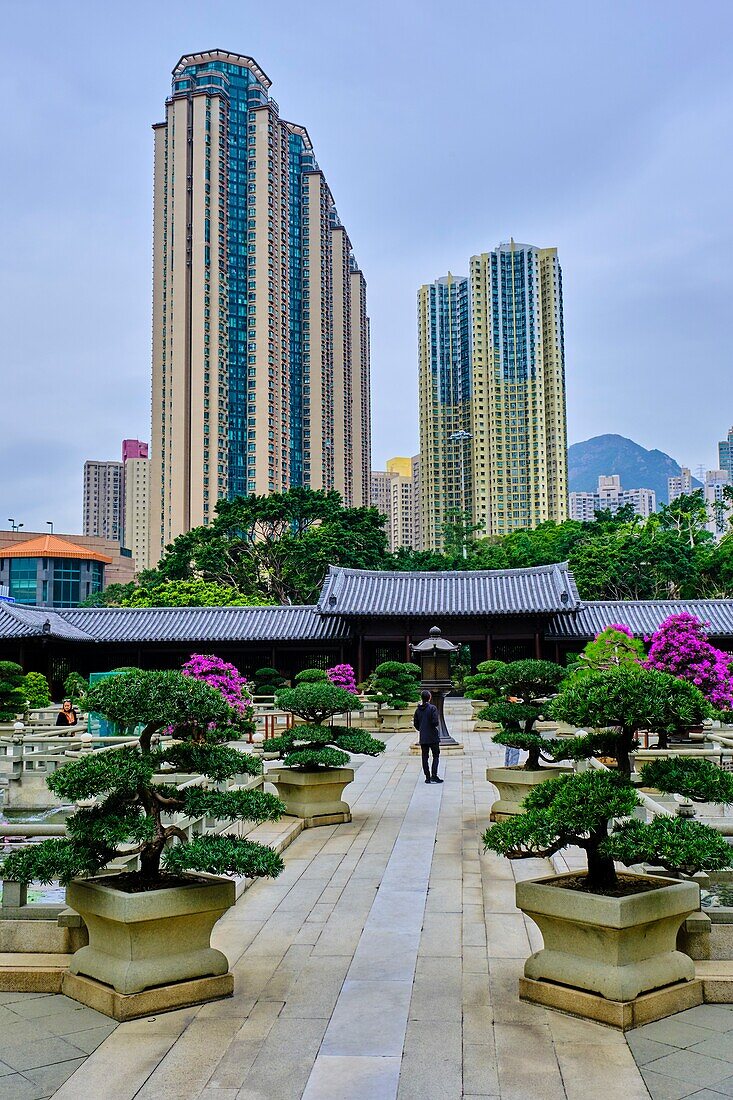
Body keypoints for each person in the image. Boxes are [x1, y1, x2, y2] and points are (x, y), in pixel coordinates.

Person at [413, 689, 443, 784]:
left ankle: (427, 777)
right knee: (436, 756)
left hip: (423, 736)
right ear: (430, 698)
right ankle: (434, 775)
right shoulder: (433, 708)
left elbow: (416, 723)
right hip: (433, 736)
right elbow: (435, 722)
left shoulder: (418, 710)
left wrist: (422, 729)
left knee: (424, 757)